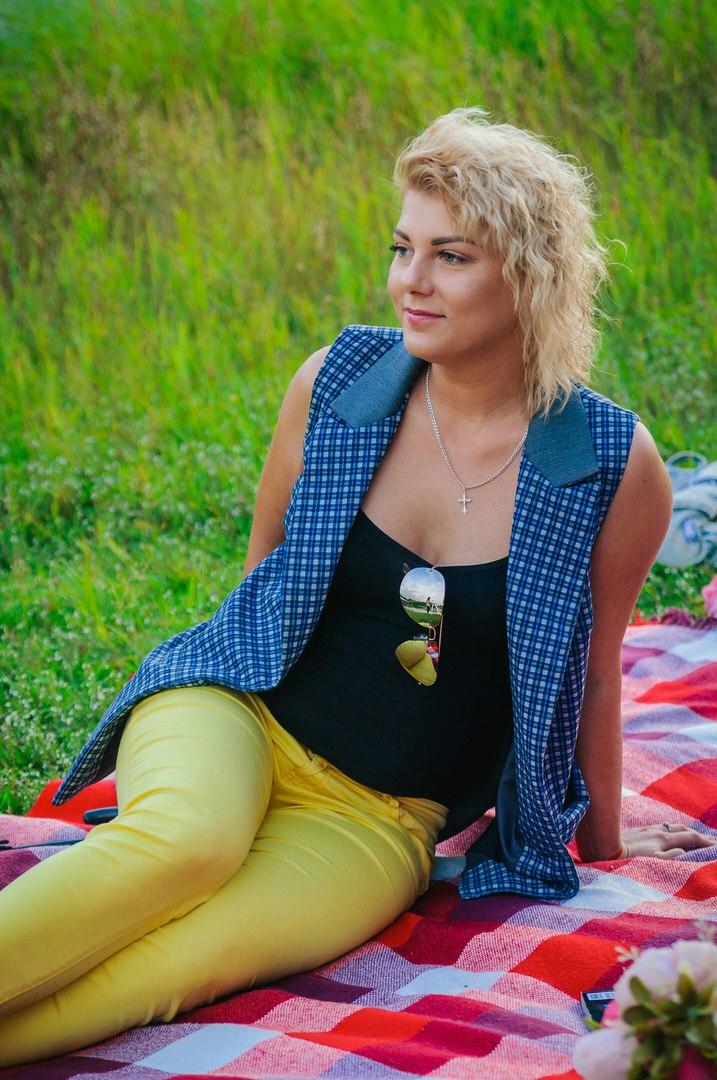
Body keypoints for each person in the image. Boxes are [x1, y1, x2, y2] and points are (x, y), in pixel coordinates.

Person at [1, 105, 714, 1067]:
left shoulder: (605, 463)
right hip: (239, 711)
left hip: (379, 818)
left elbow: (591, 675)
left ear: (529, 277)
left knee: (188, 958)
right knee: (184, 845)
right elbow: (259, 579)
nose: (410, 281)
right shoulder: (335, 384)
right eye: (402, 248)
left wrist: (606, 842)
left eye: (450, 257)